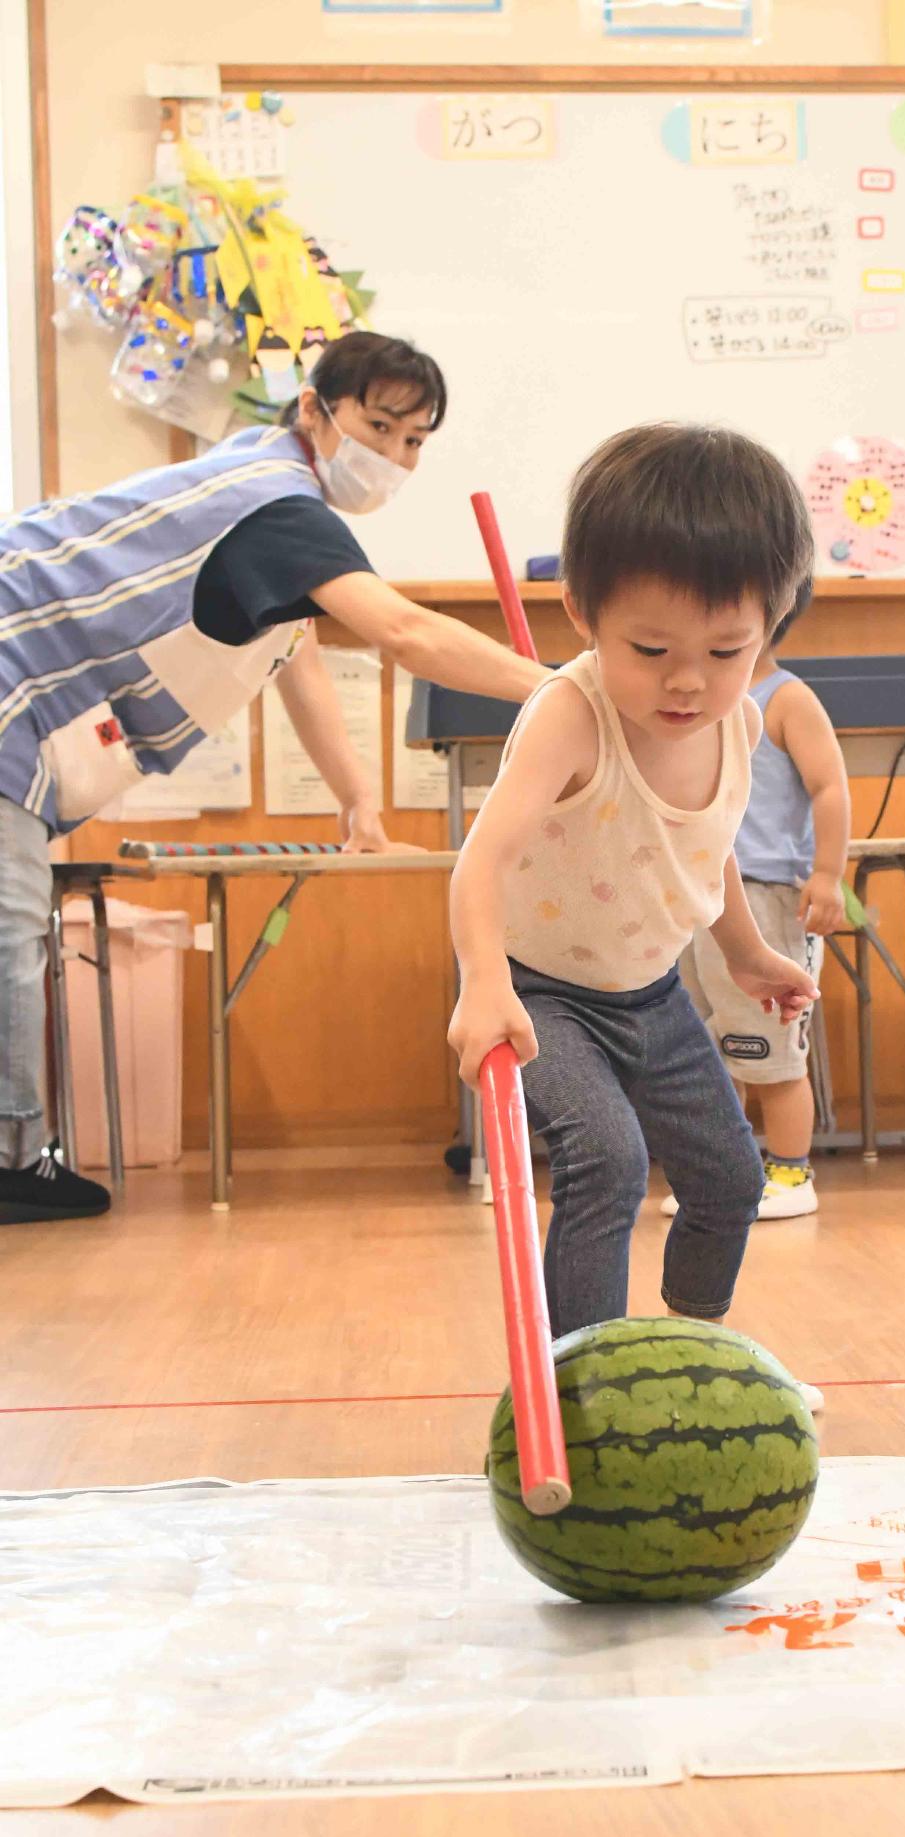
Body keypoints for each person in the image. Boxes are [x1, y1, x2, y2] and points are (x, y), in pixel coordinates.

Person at [0, 331, 546, 1226]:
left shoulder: (257, 474)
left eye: (413, 443)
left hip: (21, 692)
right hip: (9, 678)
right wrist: (567, 691)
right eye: (378, 428)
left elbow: (296, 659)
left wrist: (358, 800)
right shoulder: (277, 505)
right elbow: (404, 634)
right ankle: (12, 1162)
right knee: (10, 931)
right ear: (313, 409)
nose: (394, 459)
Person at [447, 422, 819, 1349]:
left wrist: (748, 951)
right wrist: (483, 984)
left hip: (650, 993)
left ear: (768, 626)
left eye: (726, 651)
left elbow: (702, 847)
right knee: (606, 1164)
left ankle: (694, 1355)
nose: (687, 682)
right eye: (650, 650)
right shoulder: (571, 716)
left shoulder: (738, 721)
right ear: (582, 612)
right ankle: (585, 1375)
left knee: (731, 1180)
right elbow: (478, 860)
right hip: (543, 995)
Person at [666, 576, 850, 1220]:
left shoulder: (787, 699)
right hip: (697, 895)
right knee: (712, 1047)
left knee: (769, 1047)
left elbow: (829, 787)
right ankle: (728, 1174)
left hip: (768, 896)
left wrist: (827, 875)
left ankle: (791, 1173)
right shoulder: (691, 701)